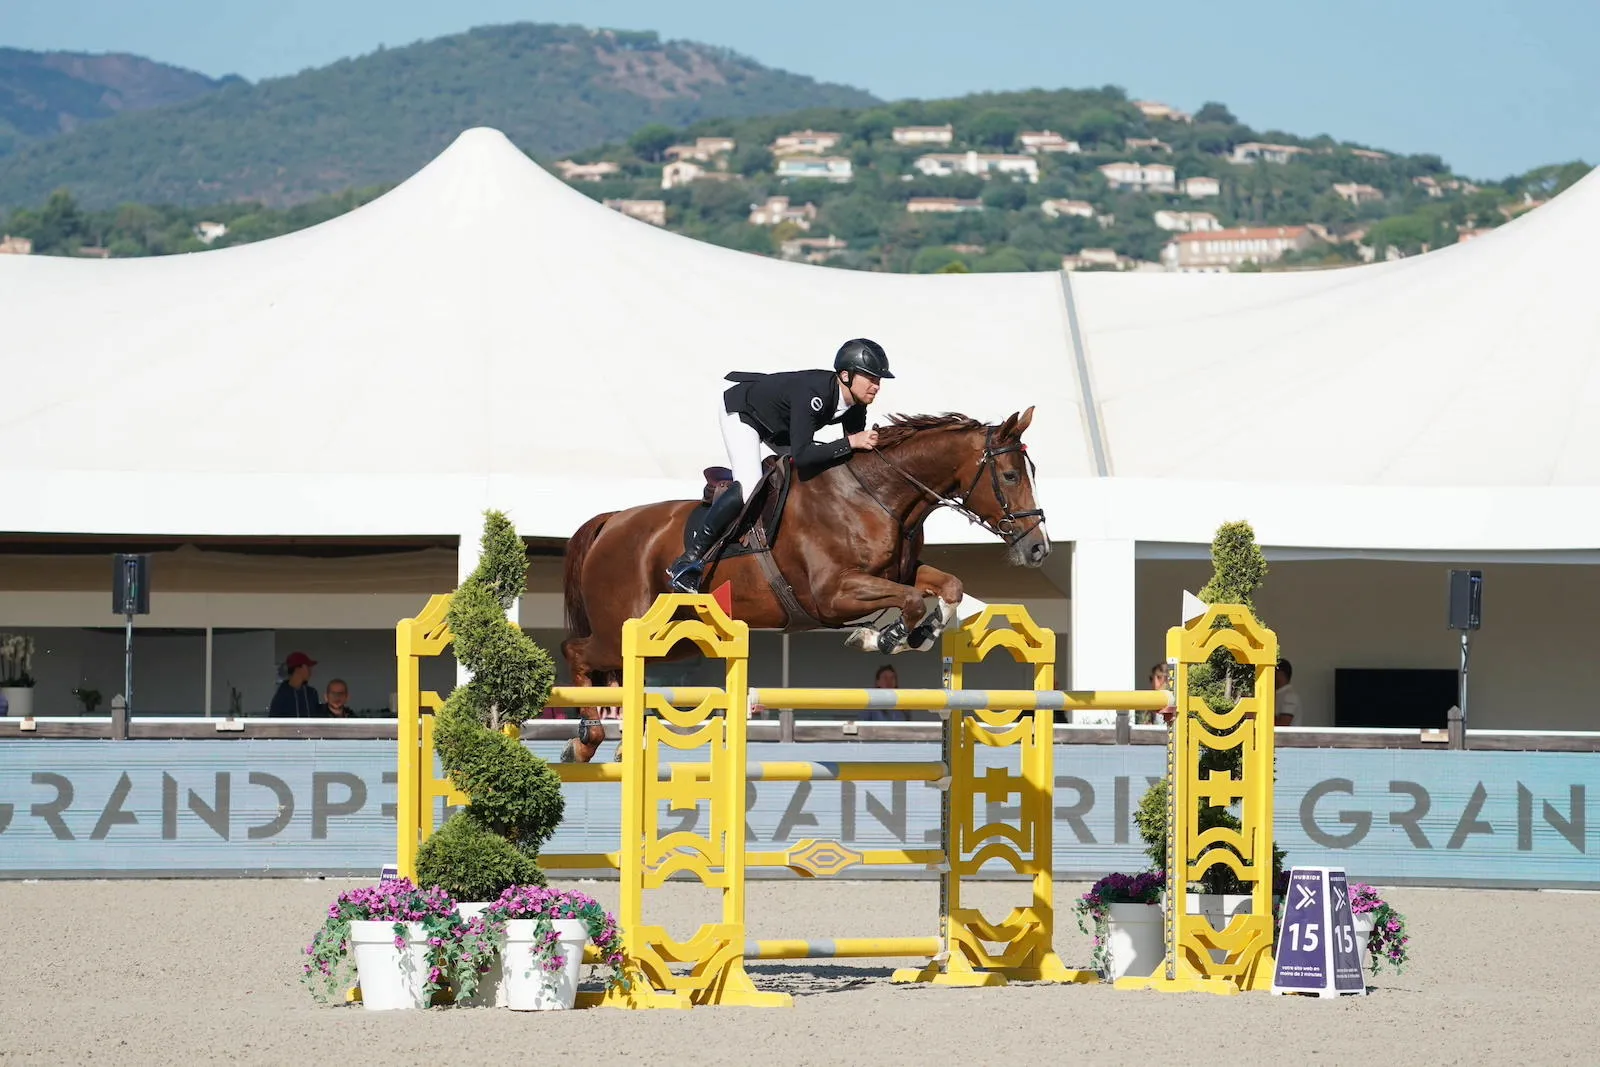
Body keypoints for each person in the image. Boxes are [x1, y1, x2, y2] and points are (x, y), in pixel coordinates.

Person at [666, 338, 894, 593]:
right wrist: (851, 442)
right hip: (745, 413)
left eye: (878, 380)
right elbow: (804, 455)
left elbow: (851, 456)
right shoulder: (815, 393)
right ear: (845, 375)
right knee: (750, 487)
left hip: (779, 425)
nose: (876, 386)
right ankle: (689, 560)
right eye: (870, 378)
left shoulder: (856, 404)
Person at [269, 651, 321, 718]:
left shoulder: (312, 693)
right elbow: (274, 720)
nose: (310, 671)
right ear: (298, 669)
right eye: (307, 667)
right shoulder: (282, 694)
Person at [1275, 658, 1301, 726]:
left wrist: (1261, 714)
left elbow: (1283, 724)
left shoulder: (1290, 696)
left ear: (1280, 673)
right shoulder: (1278, 694)